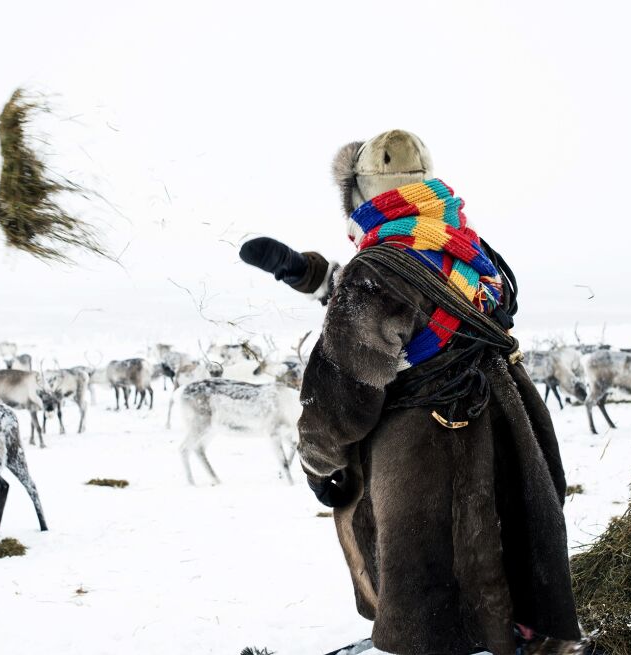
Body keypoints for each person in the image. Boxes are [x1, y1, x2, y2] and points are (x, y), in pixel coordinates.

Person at [240, 130, 583, 655]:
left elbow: (346, 381)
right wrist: (305, 273)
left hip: (427, 447)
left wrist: (320, 464)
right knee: (504, 545)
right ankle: (522, 636)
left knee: (432, 587)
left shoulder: (377, 269)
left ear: (356, 195)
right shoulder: (462, 245)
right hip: (504, 420)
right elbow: (415, 306)